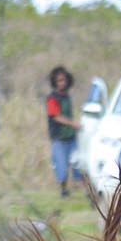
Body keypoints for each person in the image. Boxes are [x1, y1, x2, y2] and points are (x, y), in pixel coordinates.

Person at [45, 67, 83, 198]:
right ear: (55, 82)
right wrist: (73, 124)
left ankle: (84, 190)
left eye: (64, 80)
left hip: (71, 137)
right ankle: (63, 190)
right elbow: (55, 116)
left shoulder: (66, 96)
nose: (62, 83)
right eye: (59, 80)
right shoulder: (52, 98)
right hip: (59, 138)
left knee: (77, 164)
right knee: (61, 167)